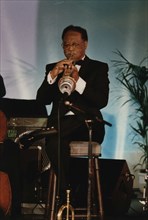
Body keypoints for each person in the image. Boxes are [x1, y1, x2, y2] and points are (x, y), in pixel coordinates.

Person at [36, 25, 110, 201]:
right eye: (66, 45)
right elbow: (41, 100)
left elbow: (101, 101)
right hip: (61, 128)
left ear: (85, 44)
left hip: (88, 126)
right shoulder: (52, 67)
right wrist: (53, 75)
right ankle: (67, 191)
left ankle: (42, 134)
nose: (69, 49)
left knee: (54, 132)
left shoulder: (98, 68)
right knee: (54, 143)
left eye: (74, 44)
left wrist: (79, 81)